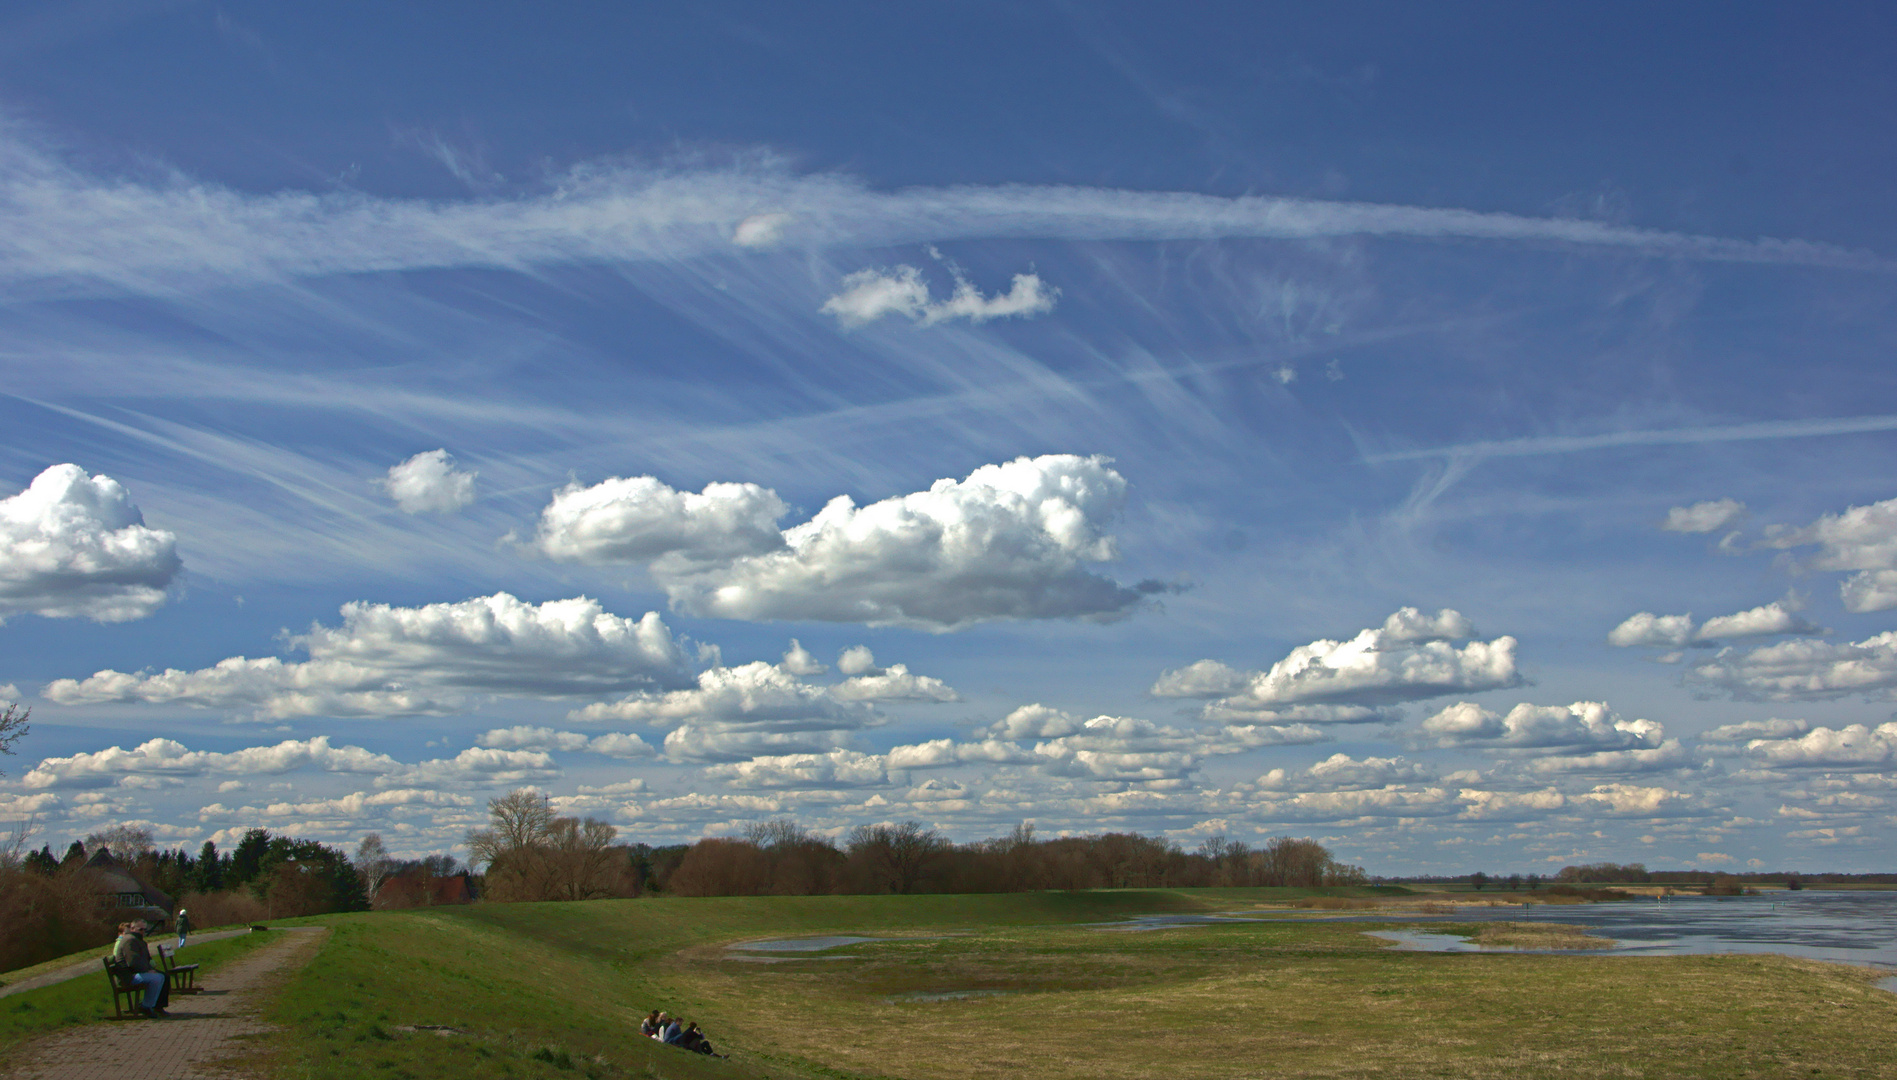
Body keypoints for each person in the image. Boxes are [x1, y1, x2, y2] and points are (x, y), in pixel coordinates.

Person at [112, 920, 170, 1017]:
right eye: (140, 929)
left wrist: (149, 968)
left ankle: (155, 1006)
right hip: (127, 977)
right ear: (132, 929)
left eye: (145, 929)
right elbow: (133, 962)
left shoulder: (138, 940)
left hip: (135, 973)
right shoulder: (130, 940)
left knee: (163, 976)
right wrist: (147, 970)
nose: (143, 932)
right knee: (157, 978)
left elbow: (144, 959)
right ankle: (146, 1006)